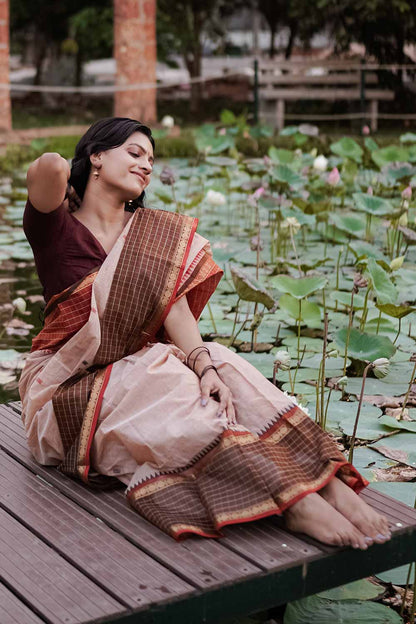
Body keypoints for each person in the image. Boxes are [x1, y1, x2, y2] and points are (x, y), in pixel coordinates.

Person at [19, 117, 391, 548]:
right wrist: (71, 170)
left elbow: (175, 311)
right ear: (97, 156)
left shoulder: (153, 233)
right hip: (69, 388)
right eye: (134, 153)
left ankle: (324, 482)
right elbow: (47, 169)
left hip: (136, 371)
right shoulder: (55, 227)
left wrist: (205, 366)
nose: (146, 166)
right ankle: (293, 503)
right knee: (166, 378)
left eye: (151, 161)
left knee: (226, 367)